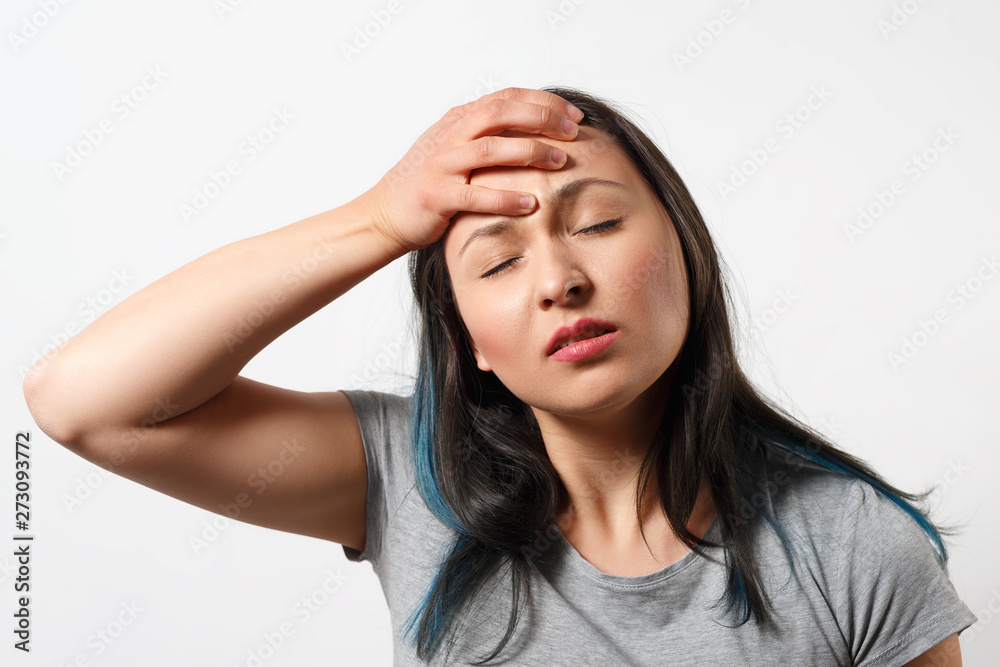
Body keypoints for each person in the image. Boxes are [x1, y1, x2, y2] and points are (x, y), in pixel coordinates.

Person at [23, 86, 977, 666]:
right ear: (468, 337)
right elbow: (83, 401)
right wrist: (380, 218)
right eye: (496, 263)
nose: (561, 278)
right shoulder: (408, 480)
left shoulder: (854, 549)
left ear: (684, 252)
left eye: (598, 223)